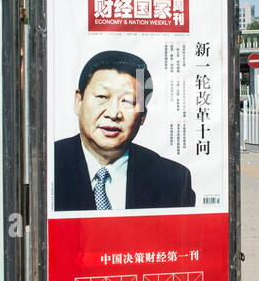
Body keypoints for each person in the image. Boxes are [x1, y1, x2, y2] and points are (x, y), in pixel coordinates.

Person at [53, 49, 196, 211]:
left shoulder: (173, 180)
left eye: (127, 101)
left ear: (143, 116)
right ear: (79, 101)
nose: (113, 113)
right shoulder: (47, 164)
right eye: (101, 97)